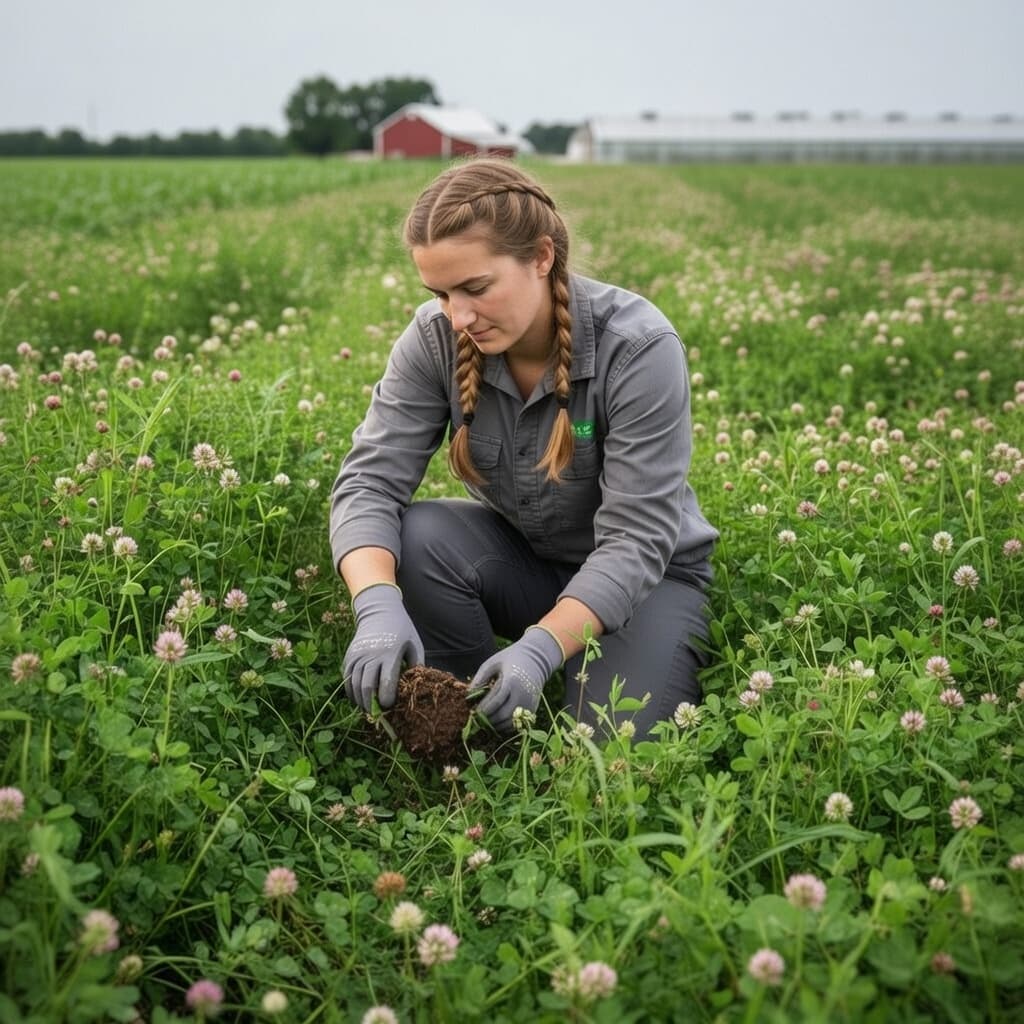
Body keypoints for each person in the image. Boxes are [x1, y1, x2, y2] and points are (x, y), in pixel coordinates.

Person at [330, 157, 718, 736]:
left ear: (541, 257)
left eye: (476, 287)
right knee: (419, 536)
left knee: (615, 749)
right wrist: (377, 604)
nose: (458, 316)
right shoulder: (435, 338)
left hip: (648, 583)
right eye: (439, 293)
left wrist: (540, 649)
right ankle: (470, 723)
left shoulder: (637, 347)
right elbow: (370, 483)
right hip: (529, 565)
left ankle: (546, 669)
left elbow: (636, 540)